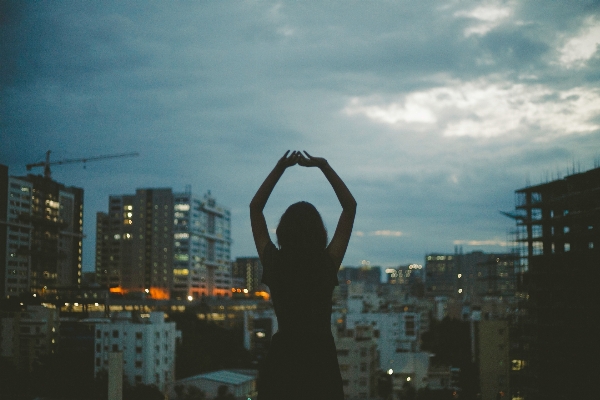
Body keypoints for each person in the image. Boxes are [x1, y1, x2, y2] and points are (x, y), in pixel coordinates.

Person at [250, 150, 357, 400]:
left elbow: (256, 208)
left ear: (283, 231)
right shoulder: (326, 262)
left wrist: (279, 168)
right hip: (320, 358)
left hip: (283, 358)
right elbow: (349, 207)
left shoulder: (274, 262)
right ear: (319, 231)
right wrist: (324, 166)